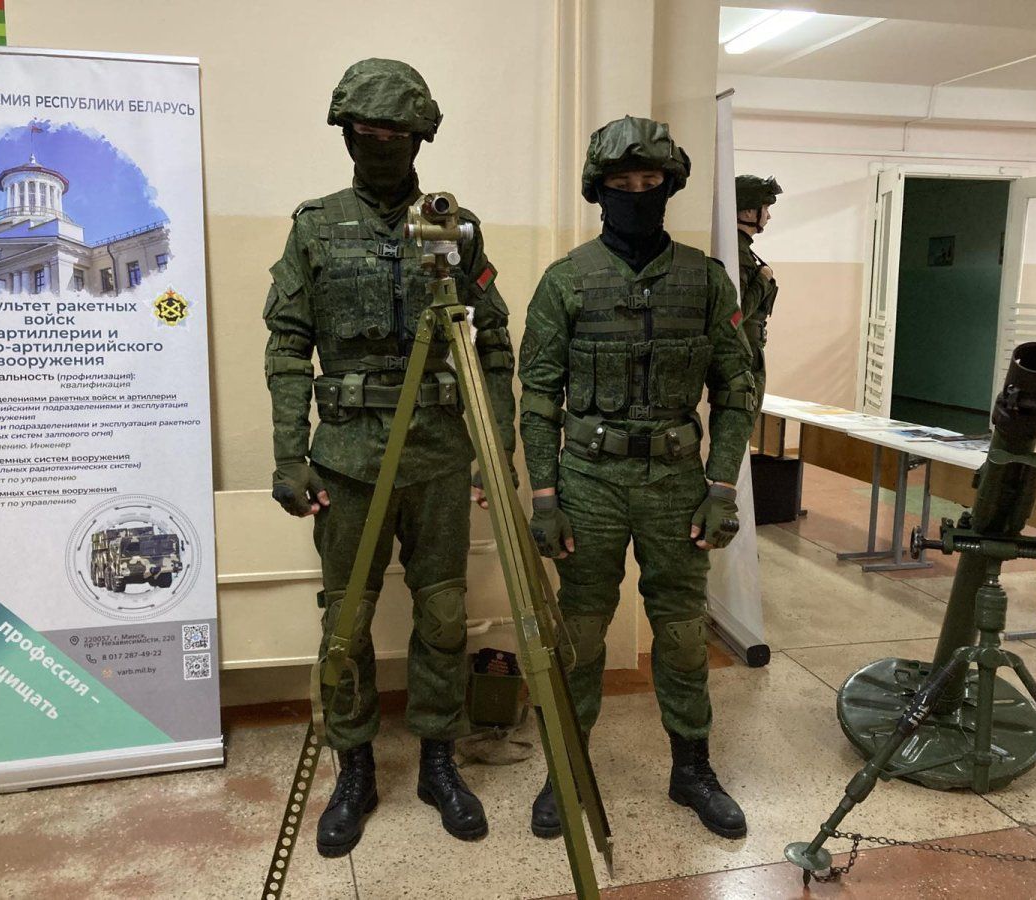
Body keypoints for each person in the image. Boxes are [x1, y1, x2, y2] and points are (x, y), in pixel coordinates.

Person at [262, 58, 516, 857]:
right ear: (345, 135)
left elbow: (494, 343)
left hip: (437, 454)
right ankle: (356, 769)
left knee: (443, 615)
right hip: (345, 460)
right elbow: (287, 347)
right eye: (364, 132)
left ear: (419, 139)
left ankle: (440, 761)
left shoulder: (454, 227)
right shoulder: (315, 226)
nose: (379, 146)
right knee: (346, 621)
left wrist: (496, 450)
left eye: (394, 134)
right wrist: (289, 456)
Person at [518, 115, 758, 840]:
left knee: (682, 631)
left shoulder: (706, 281)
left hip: (676, 484)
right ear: (599, 190)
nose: (636, 192)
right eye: (621, 182)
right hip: (587, 482)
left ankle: (692, 768)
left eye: (650, 180)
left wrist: (722, 488)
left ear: (669, 185)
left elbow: (737, 390)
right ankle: (568, 767)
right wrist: (544, 497)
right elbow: (538, 397)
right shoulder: (566, 281)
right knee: (581, 630)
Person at [735, 174, 782, 408]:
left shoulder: (741, 248)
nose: (769, 215)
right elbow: (737, 312)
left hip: (748, 350)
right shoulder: (738, 251)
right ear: (748, 212)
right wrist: (763, 279)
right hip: (744, 354)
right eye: (765, 208)